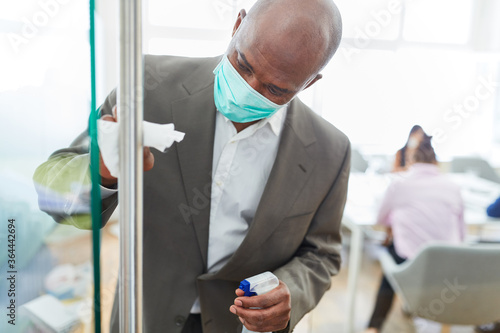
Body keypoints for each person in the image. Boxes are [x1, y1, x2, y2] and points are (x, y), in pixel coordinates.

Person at [33, 1, 350, 332]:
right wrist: (101, 173)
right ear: (237, 25)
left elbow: (322, 254)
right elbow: (51, 192)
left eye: (275, 90)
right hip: (146, 316)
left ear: (310, 82)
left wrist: (292, 292)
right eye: (243, 65)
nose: (249, 90)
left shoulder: (330, 150)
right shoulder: (147, 86)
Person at [365, 136, 465, 333]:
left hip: (410, 262)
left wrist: (399, 218)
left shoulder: (399, 184)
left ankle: (373, 328)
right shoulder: (453, 186)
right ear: (436, 161)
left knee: (391, 259)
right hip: (447, 263)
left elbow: (379, 218)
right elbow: (461, 234)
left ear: (411, 160)